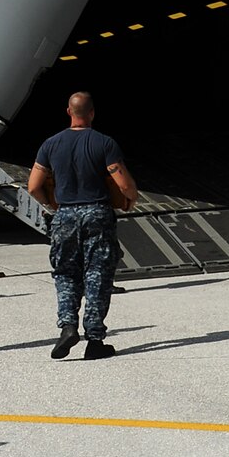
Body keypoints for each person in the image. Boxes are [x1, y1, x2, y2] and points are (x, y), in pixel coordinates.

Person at [27, 93, 138, 360]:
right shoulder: (104, 143)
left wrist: (52, 204)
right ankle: (95, 340)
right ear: (92, 113)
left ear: (68, 111)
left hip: (65, 214)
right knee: (97, 274)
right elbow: (123, 184)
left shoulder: (50, 144)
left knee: (65, 273)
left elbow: (33, 186)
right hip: (97, 212)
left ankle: (67, 326)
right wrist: (131, 198)